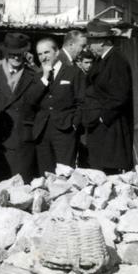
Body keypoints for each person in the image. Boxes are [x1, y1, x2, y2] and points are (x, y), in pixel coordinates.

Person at [0, 32, 47, 182]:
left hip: (22, 141)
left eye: (20, 54)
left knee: (21, 189)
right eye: (12, 54)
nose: (16, 58)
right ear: (5, 53)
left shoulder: (35, 76)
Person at [33, 29, 87, 175]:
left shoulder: (73, 72)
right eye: (40, 54)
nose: (44, 57)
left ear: (56, 52)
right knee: (45, 175)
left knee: (65, 175)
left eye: (47, 52)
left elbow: (81, 102)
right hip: (42, 133)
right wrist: (44, 77)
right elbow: (30, 102)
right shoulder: (36, 76)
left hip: (65, 131)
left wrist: (74, 124)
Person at [82, 26, 134, 175]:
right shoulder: (103, 59)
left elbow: (120, 95)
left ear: (102, 42)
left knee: (109, 171)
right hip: (102, 128)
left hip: (111, 127)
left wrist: (102, 117)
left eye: (91, 42)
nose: (89, 46)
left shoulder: (117, 60)